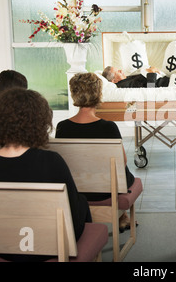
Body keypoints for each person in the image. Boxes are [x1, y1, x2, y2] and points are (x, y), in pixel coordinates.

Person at [0, 88, 91, 261]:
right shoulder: (51, 161)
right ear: (39, 122)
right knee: (80, 202)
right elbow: (72, 222)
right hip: (50, 249)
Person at [55, 72, 136, 232]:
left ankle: (123, 216)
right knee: (122, 171)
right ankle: (122, 216)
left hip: (76, 188)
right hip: (106, 191)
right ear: (99, 94)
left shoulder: (62, 127)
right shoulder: (108, 127)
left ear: (74, 94)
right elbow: (123, 162)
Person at [102, 66, 170, 88]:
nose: (121, 70)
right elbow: (150, 89)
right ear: (114, 81)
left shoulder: (126, 79)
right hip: (168, 84)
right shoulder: (126, 86)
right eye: (118, 72)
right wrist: (152, 72)